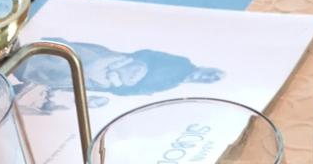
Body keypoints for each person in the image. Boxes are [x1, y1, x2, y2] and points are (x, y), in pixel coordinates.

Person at [13, 39, 224, 113]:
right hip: (117, 64)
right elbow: (149, 55)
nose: (206, 78)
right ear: (207, 68)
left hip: (111, 82)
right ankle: (23, 63)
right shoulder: (182, 64)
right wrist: (130, 65)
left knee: (65, 79)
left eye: (210, 80)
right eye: (211, 75)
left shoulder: (173, 85)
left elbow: (138, 90)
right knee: (70, 62)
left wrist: (120, 87)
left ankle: (24, 75)